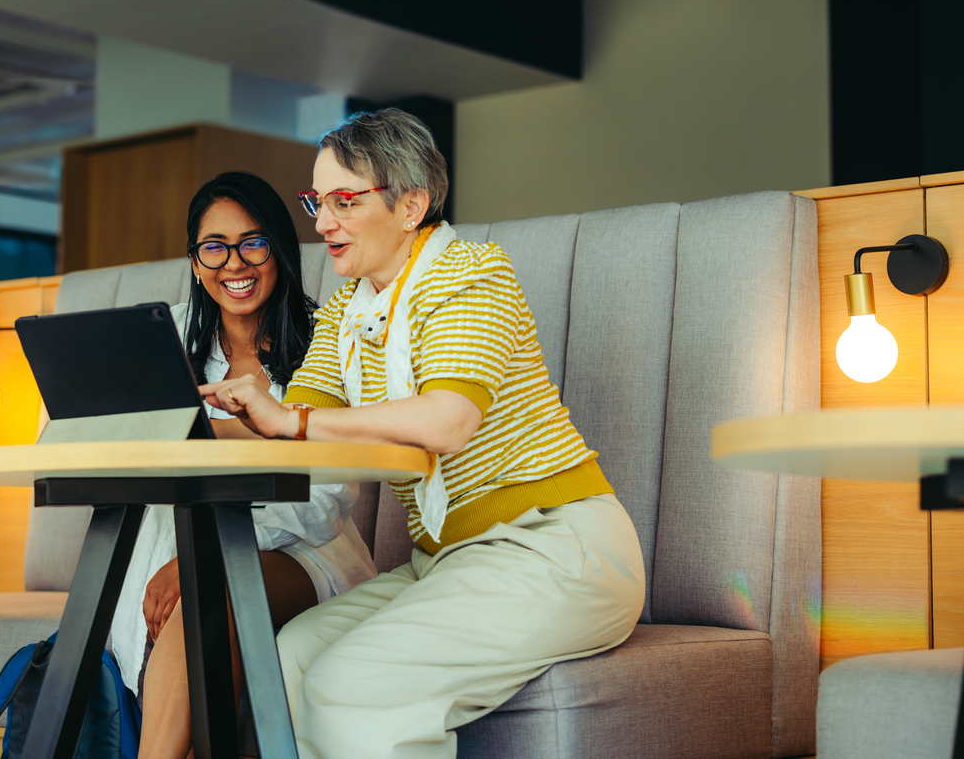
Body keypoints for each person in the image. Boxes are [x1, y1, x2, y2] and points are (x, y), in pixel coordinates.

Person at [201, 110, 646, 758]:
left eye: (344, 201)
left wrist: (291, 418)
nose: (322, 223)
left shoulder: (469, 273)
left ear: (411, 204)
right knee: (289, 659)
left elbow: (447, 420)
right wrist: (183, 423)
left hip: (556, 548)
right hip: (446, 560)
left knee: (353, 683)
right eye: (316, 201)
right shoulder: (348, 310)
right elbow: (285, 433)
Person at [109, 171, 377, 759]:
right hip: (176, 553)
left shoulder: (329, 337)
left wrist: (205, 551)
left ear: (279, 248)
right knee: (201, 597)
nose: (236, 263)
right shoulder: (166, 336)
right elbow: (99, 429)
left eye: (253, 242)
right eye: (215, 247)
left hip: (303, 556)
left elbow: (328, 491)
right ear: (196, 259)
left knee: (210, 587)